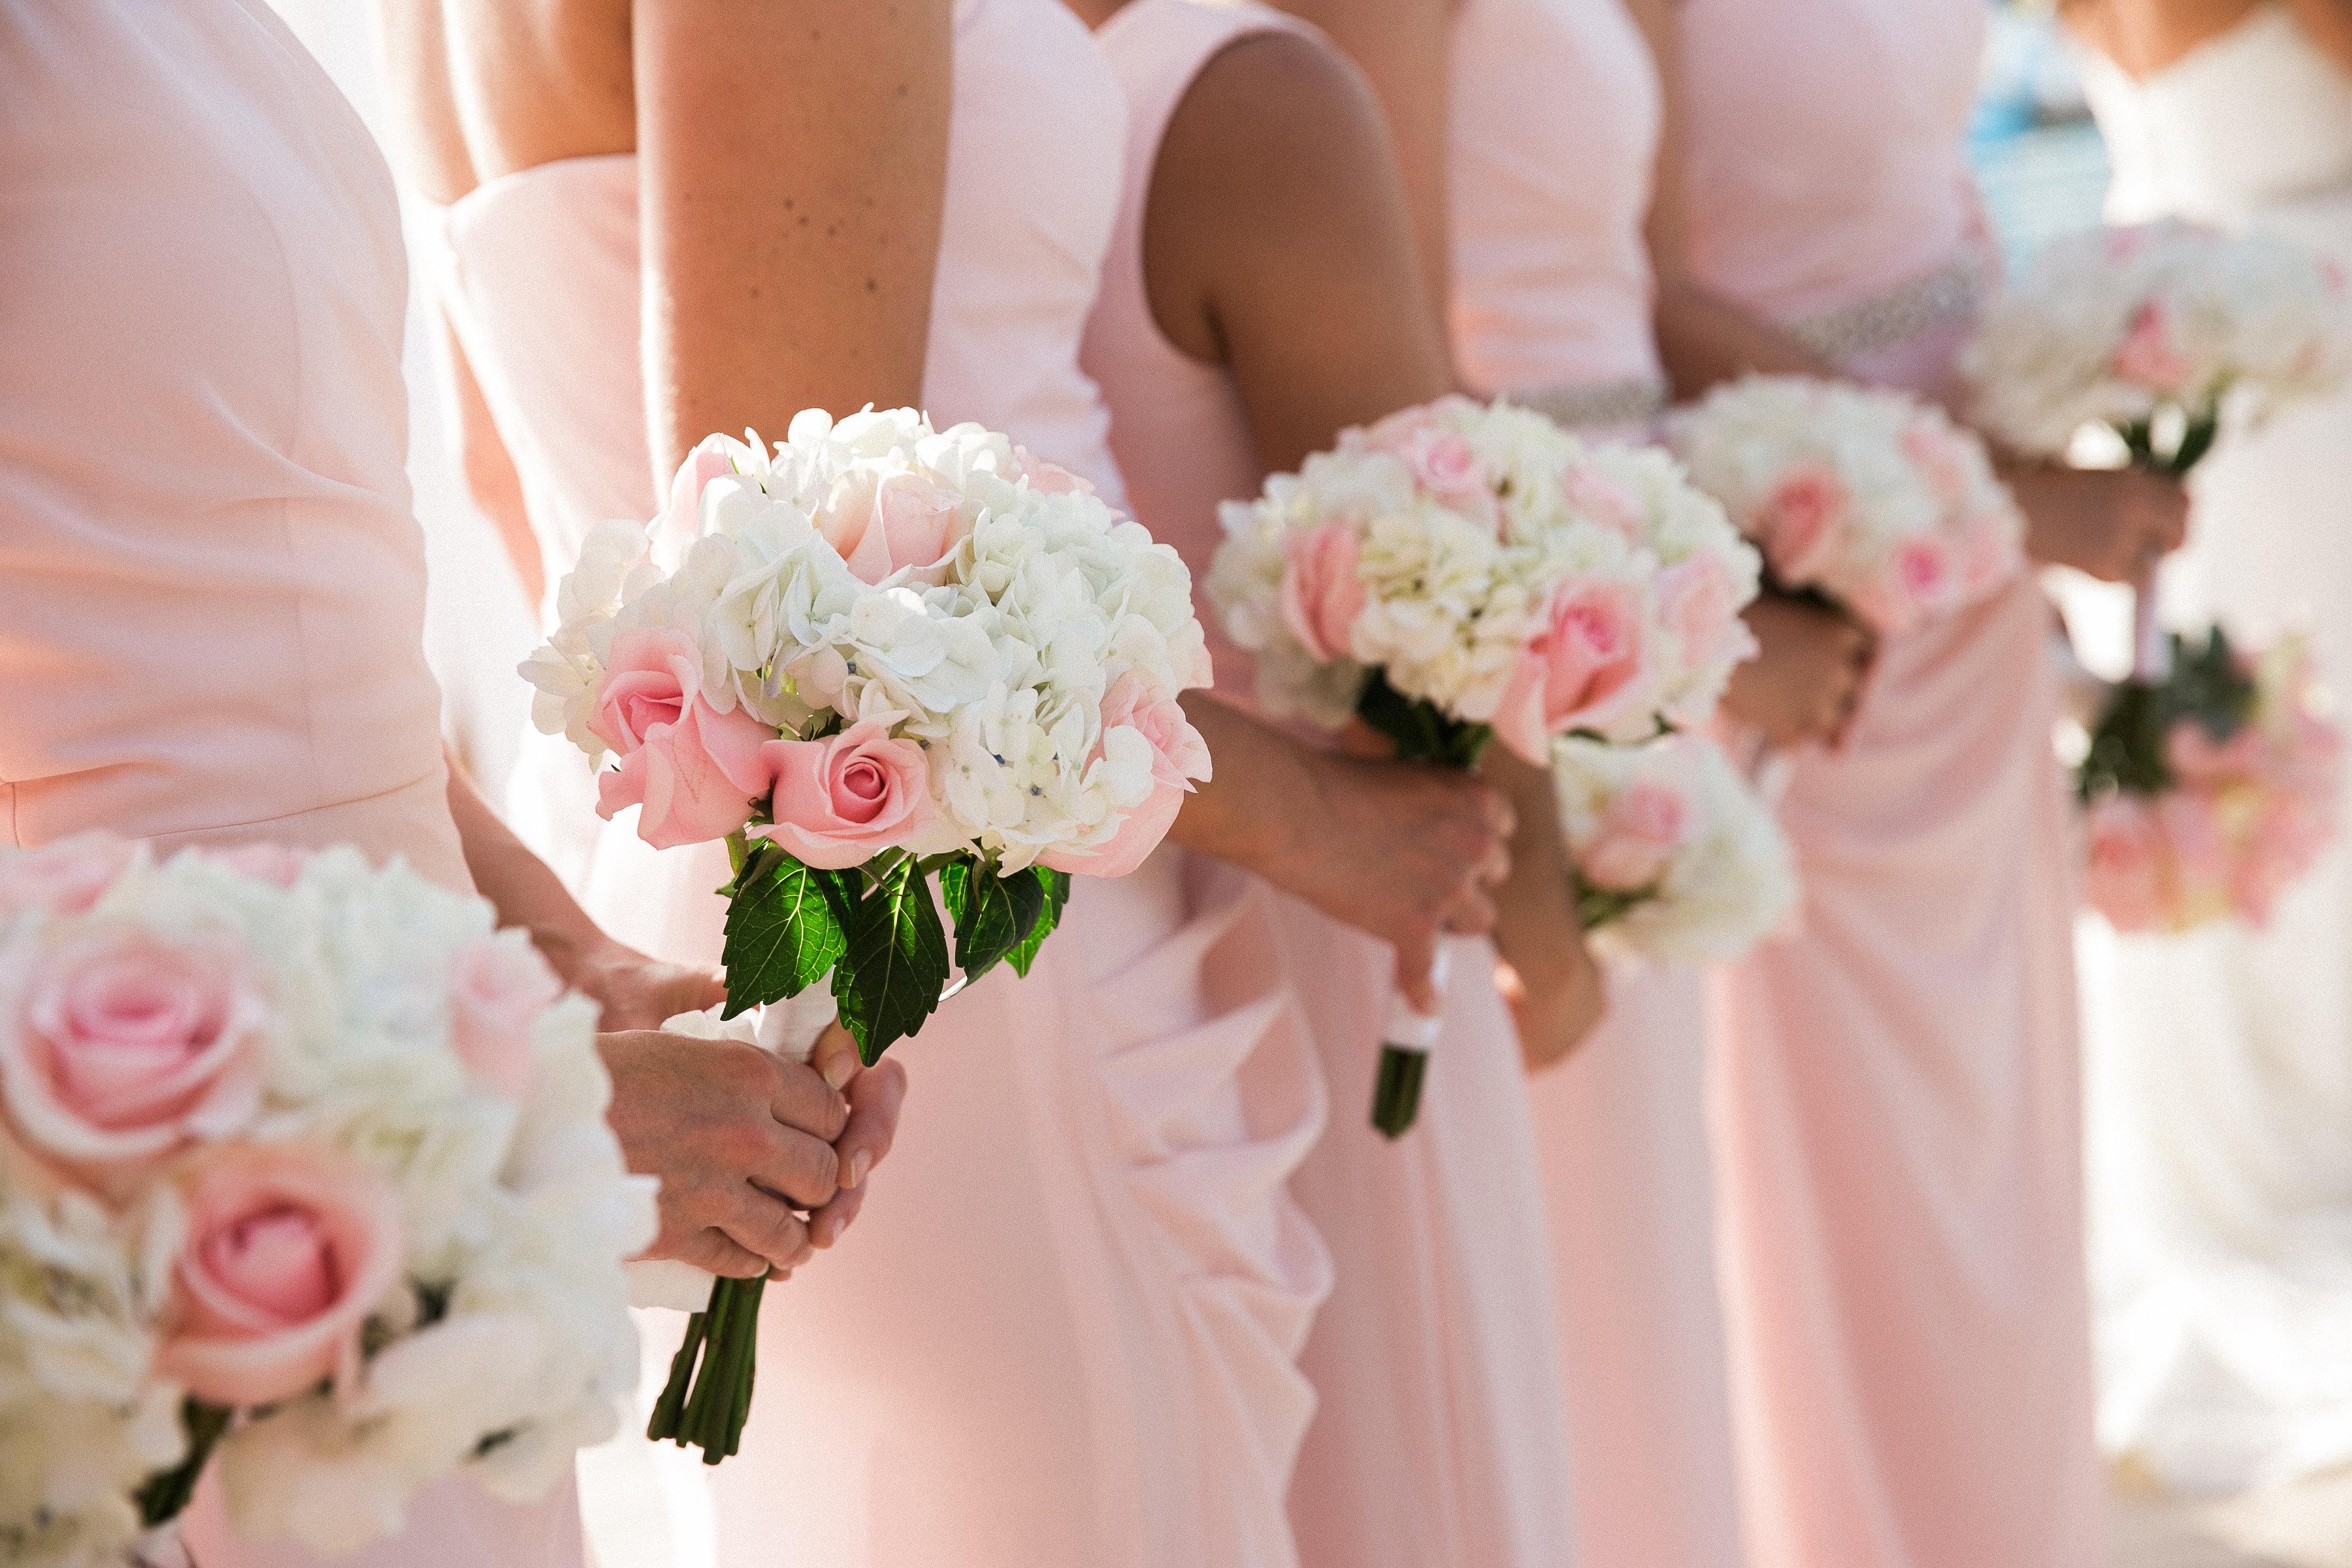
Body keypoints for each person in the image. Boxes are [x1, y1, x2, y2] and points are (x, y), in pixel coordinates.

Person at [375, 0, 1518, 1560]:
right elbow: (813, 572)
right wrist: (1328, 822)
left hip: (712, 866)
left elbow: (533, 503)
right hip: (960, 926)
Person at [0, 2, 898, 1565]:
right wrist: (524, 1116)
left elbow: (278, 646)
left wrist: (563, 959)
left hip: (428, 1214)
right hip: (176, 1203)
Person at [1071, 3, 1605, 1563]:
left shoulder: (1004, 108)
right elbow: (1437, 542)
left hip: (1143, 883)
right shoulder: (1255, 95)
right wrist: (1552, 929)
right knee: (1427, 1446)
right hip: (1361, 892)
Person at [1657, 0, 2190, 1561]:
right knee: (1829, 1171)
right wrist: (1996, 496)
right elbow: (1629, 282)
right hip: (1804, 555)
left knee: (1998, 1147)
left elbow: (1929, 189)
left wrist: (2057, 376)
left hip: (1967, 574)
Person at [2063, 0, 2352, 1495]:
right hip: (2306, 362)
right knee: (2296, 811)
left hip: (2152, 354)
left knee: (2226, 789)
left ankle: (2232, 1178)